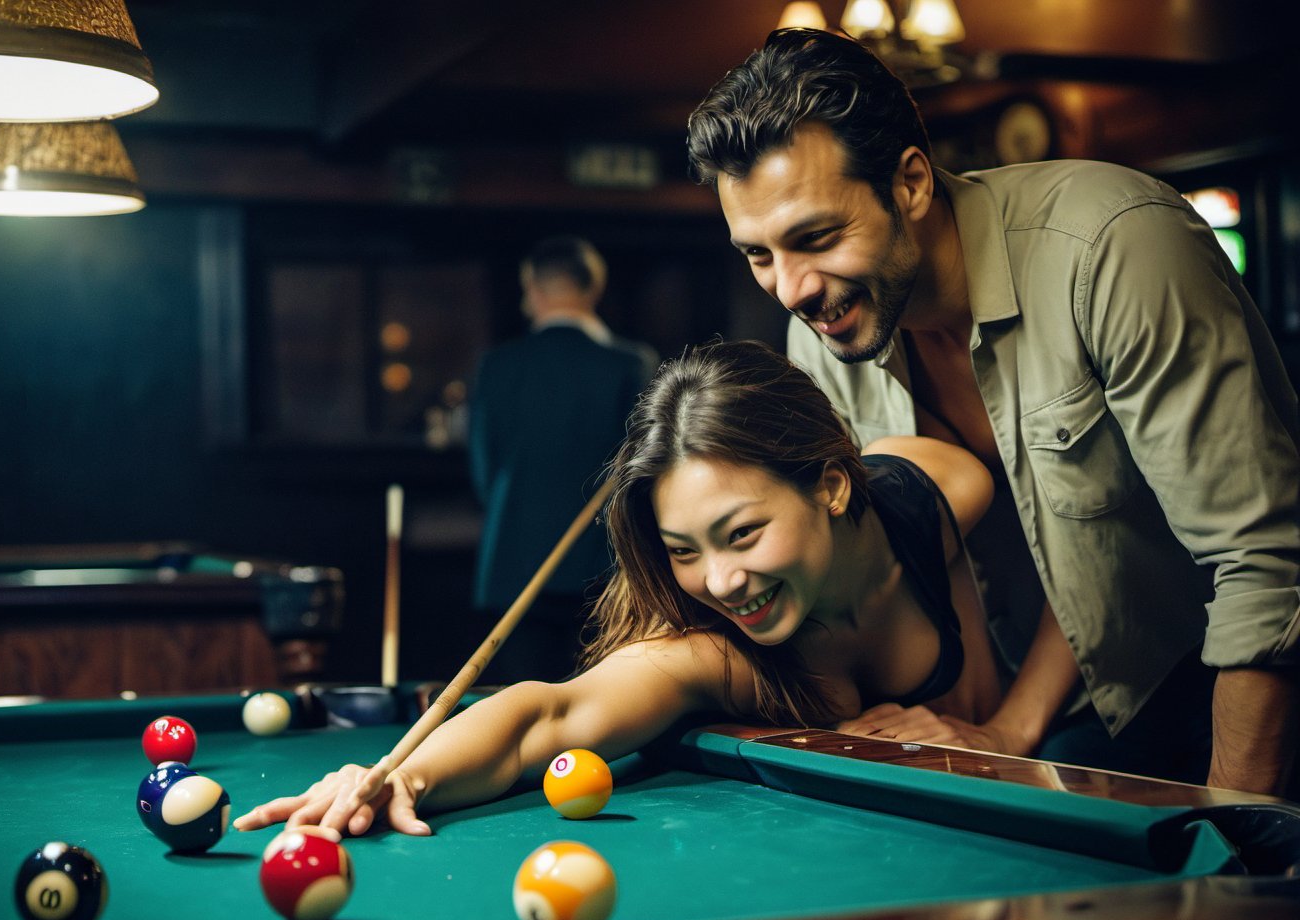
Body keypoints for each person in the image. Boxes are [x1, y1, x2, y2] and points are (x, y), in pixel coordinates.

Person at [685, 28, 1300, 794]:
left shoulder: (1114, 247)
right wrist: (1000, 732)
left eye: (817, 237)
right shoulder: (821, 339)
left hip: (1223, 685)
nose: (792, 289)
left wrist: (1240, 828)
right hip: (1047, 712)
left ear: (910, 183)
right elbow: (925, 572)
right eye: (758, 254)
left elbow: (1264, 564)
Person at [233, 339, 1004, 838]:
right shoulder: (714, 654)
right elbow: (547, 713)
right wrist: (404, 775)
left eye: (741, 533)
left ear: (832, 487)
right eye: (683, 550)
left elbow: (1094, 595)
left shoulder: (948, 492)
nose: (722, 582)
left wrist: (1013, 733)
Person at [468, 235, 657, 683]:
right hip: (608, 568)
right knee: (598, 709)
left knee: (518, 707)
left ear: (533, 288)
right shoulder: (631, 364)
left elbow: (483, 471)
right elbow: (646, 471)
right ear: (595, 287)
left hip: (513, 566)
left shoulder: (498, 365)